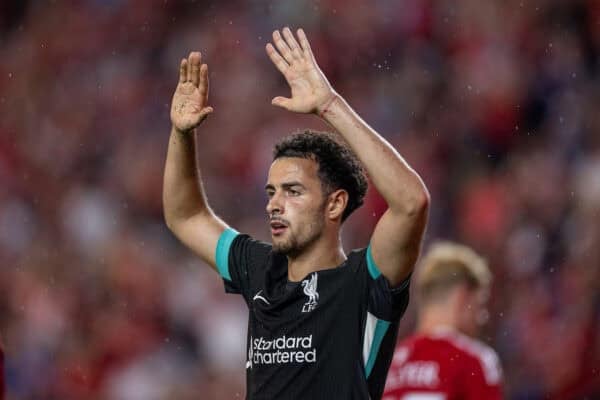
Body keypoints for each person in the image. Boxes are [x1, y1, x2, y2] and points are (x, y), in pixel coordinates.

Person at [163, 27, 429, 400]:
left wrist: (329, 106)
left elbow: (411, 203)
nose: (274, 203)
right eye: (271, 191)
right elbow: (185, 216)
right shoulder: (260, 271)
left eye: (293, 191)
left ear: (335, 204)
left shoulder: (364, 283)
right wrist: (181, 133)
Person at [382, 242, 503, 400]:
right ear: (462, 297)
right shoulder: (473, 361)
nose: (483, 317)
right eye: (479, 305)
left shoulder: (387, 366)